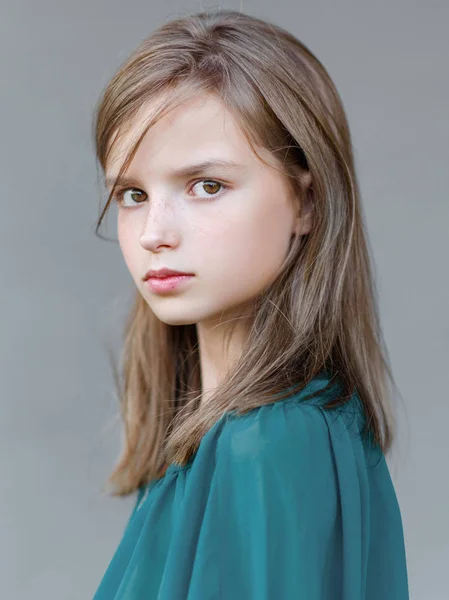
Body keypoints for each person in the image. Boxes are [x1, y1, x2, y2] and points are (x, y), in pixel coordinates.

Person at [91, 8, 409, 599]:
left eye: (206, 185)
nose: (153, 231)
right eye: (132, 193)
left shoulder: (269, 443)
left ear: (306, 202)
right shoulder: (221, 440)